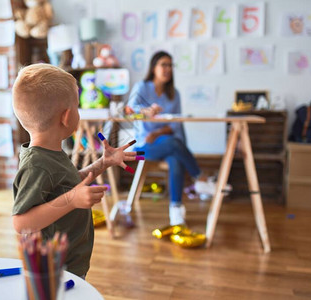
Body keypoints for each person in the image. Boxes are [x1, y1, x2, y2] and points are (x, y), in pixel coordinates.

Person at [12, 63, 138, 278]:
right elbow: (21, 222)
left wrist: (103, 162)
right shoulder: (37, 164)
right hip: (52, 270)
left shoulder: (50, 153)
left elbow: (67, 185)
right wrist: (72, 200)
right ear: (66, 116)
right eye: (78, 107)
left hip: (69, 261)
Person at [126, 51, 206, 226]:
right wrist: (146, 111)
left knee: (175, 158)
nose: (168, 69)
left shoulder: (174, 94)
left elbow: (176, 125)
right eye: (163, 65)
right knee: (174, 145)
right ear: (154, 68)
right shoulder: (142, 87)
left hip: (166, 143)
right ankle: (199, 178)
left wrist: (157, 133)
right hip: (141, 148)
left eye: (170, 65)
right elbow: (129, 110)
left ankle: (176, 210)